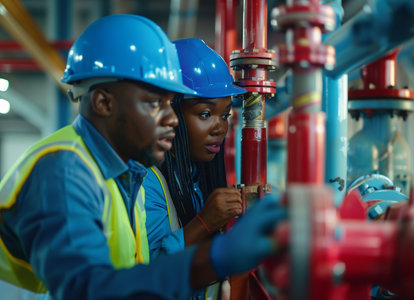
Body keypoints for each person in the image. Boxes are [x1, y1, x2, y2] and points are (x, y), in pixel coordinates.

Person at [0, 14, 285, 300]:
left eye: (169, 103)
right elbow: (90, 289)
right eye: (155, 103)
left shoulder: (125, 172)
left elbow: (132, 273)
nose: (172, 119)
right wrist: (217, 257)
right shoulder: (63, 173)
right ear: (103, 102)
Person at [143, 38, 247, 299]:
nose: (219, 128)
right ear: (169, 111)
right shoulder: (147, 182)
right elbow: (152, 270)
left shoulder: (195, 178)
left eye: (225, 115)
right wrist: (205, 222)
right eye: (204, 114)